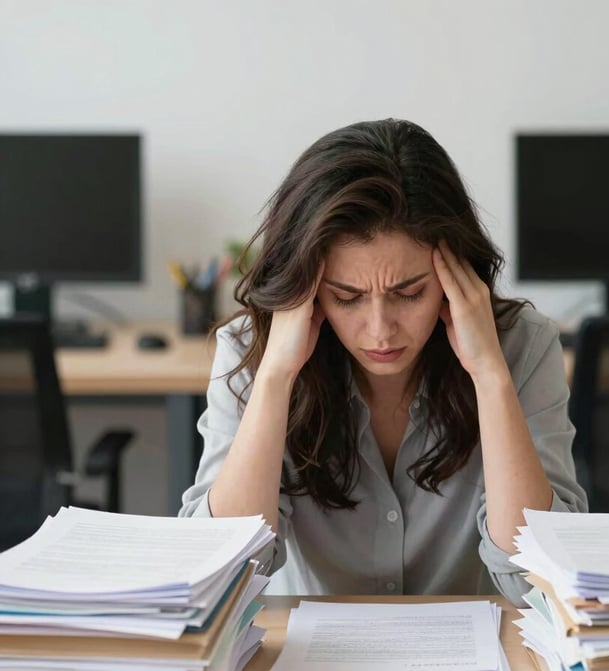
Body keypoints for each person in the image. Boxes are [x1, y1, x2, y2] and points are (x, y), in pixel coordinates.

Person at [180, 118, 587, 605]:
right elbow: (222, 579)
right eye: (347, 297)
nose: (380, 330)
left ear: (455, 274)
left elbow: (539, 583)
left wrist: (490, 377)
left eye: (409, 293)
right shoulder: (251, 352)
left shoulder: (523, 346)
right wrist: (275, 379)